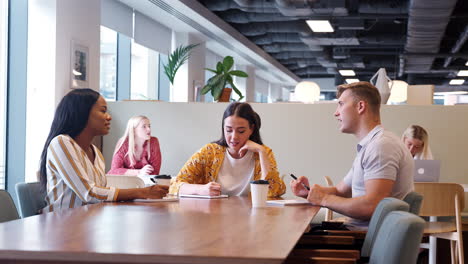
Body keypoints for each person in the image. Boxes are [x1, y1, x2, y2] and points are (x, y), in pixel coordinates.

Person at [291, 81, 414, 229]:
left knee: (291, 235)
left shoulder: (381, 146)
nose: (336, 112)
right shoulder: (371, 145)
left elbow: (372, 206)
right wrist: (310, 193)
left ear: (360, 107)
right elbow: (340, 192)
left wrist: (323, 198)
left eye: (341, 104)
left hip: (363, 239)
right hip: (358, 232)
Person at [39, 89, 168, 212]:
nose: (109, 117)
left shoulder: (96, 153)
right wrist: (142, 192)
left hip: (88, 223)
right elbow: (89, 193)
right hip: (62, 225)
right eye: (103, 111)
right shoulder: (61, 143)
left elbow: (101, 195)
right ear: (82, 112)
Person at [169, 102, 286, 197]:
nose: (234, 137)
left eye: (241, 131)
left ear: (251, 129)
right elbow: (174, 185)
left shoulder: (263, 152)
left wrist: (261, 152)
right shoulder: (209, 152)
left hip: (251, 216)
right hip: (213, 216)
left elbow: (275, 191)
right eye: (229, 130)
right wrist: (201, 190)